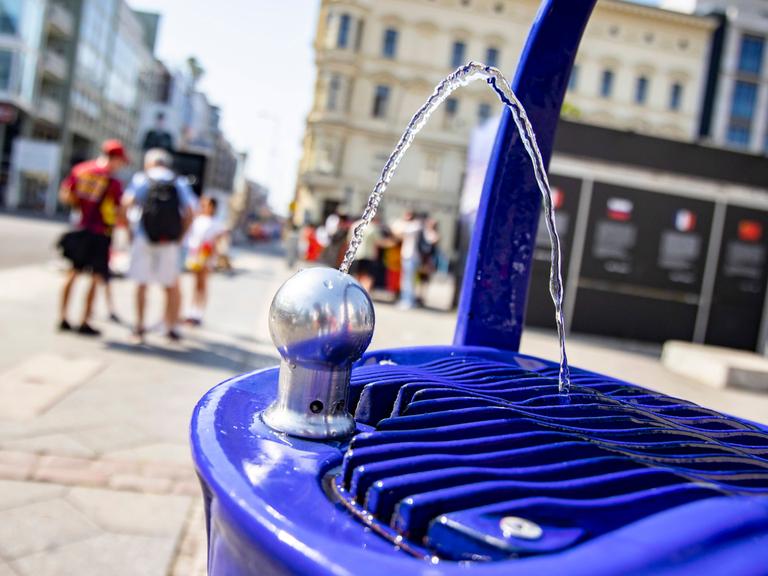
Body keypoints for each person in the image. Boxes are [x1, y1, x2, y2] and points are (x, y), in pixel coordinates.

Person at [124, 148, 196, 343]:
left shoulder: (142, 179)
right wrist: (179, 237)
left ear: (150, 162)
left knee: (141, 284)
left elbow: (126, 203)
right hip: (169, 241)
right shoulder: (178, 181)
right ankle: (170, 327)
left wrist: (129, 232)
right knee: (171, 286)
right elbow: (190, 212)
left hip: (144, 237)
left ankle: (138, 328)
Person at [58, 140, 128, 336]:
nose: (120, 165)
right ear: (114, 158)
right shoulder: (112, 182)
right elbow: (119, 210)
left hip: (79, 228)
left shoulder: (81, 170)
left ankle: (63, 317)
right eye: (121, 161)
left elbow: (66, 195)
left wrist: (82, 208)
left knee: (72, 273)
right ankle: (84, 321)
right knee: (96, 278)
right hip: (100, 233)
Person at [185, 196, 225, 325]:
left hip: (207, 256)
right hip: (195, 255)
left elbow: (218, 241)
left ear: (212, 207)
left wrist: (215, 256)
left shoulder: (217, 223)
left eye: (206, 205)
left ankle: (199, 313)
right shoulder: (198, 220)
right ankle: (191, 311)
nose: (203, 207)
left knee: (203, 284)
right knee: (195, 284)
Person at [392, 210, 423, 309]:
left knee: (408, 280)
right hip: (408, 256)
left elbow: (398, 229)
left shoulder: (415, 225)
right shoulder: (413, 225)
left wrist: (402, 222)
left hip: (412, 256)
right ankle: (406, 299)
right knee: (406, 279)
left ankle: (408, 300)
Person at [348, 216, 381, 292]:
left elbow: (349, 240)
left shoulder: (355, 225)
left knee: (355, 275)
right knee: (368, 277)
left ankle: (354, 291)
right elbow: (378, 242)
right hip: (369, 255)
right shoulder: (372, 227)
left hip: (356, 255)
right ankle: (365, 293)